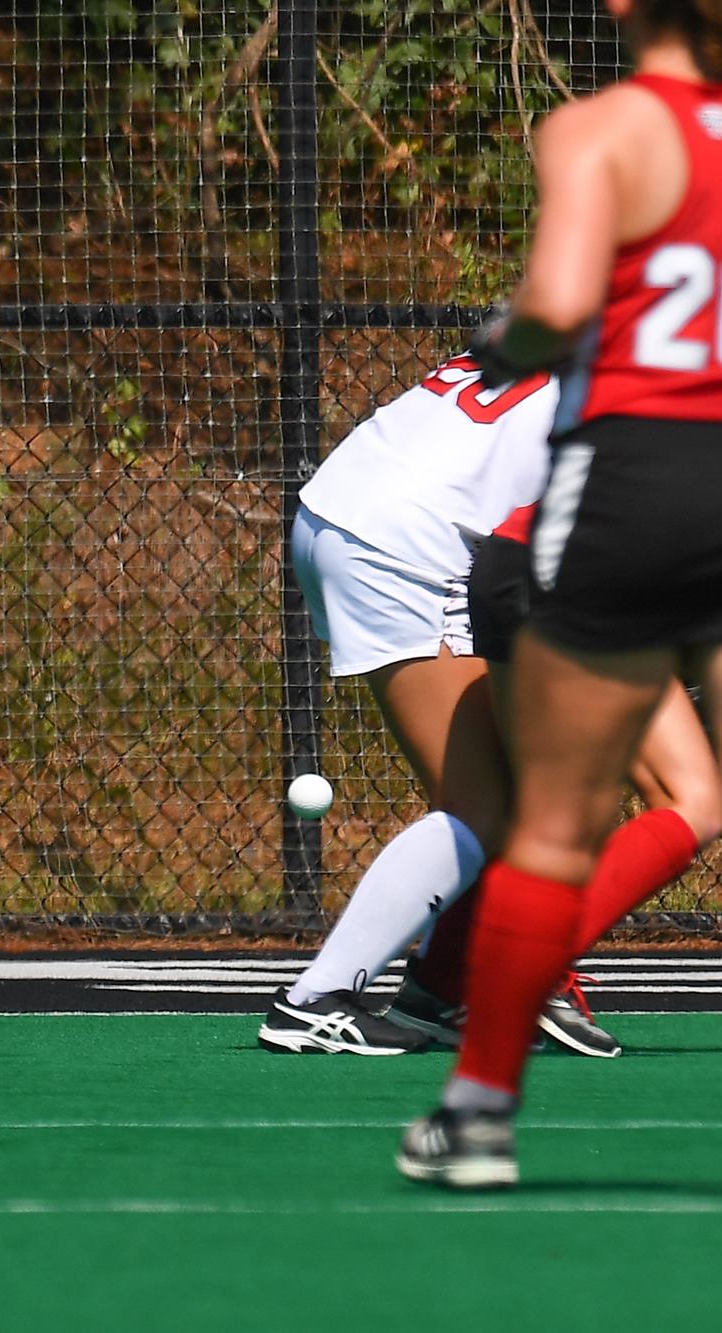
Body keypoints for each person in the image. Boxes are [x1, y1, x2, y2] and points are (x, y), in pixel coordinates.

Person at [398, 0, 722, 1190]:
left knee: (556, 817)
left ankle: (476, 1113)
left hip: (631, 480)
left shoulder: (597, 129)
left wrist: (506, 335)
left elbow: (554, 302)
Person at [259, 361, 720, 1057]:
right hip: (415, 541)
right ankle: (317, 999)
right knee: (484, 807)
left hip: (347, 511)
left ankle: (439, 992)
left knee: (508, 802)